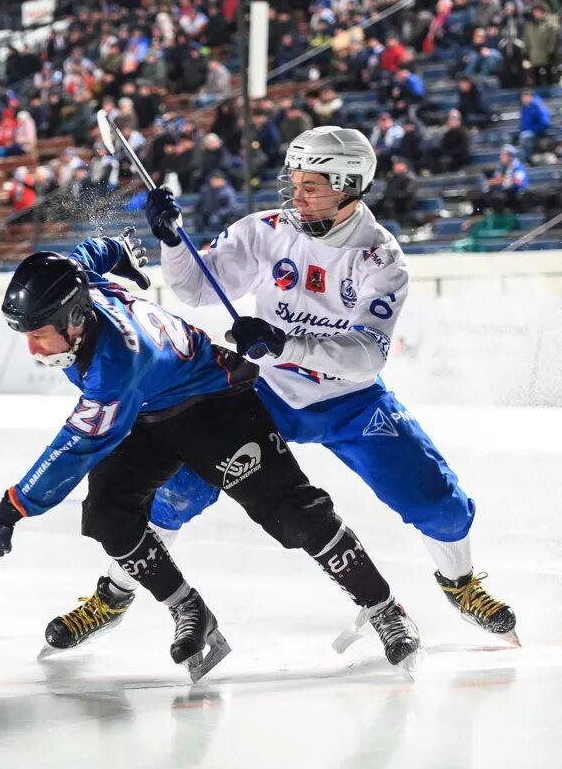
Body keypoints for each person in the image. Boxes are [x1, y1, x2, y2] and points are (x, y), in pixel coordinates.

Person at [0, 238, 421, 679]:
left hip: (214, 405)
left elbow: (74, 447)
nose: (32, 349)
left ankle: (384, 607)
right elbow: (90, 252)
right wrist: (122, 251)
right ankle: (188, 609)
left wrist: (9, 511)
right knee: (108, 514)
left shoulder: (115, 365)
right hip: (147, 412)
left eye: (38, 336)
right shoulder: (81, 286)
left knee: (294, 513)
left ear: (72, 320)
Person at [143, 126, 518, 645]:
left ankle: (460, 583)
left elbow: (366, 357)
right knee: (176, 490)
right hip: (268, 393)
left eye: (311, 187)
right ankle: (115, 590)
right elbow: (195, 289)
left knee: (438, 501)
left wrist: (281, 343)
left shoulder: (380, 257)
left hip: (349, 400)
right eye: (293, 184)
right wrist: (172, 243)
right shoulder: (266, 229)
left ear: (349, 186)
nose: (296, 197)